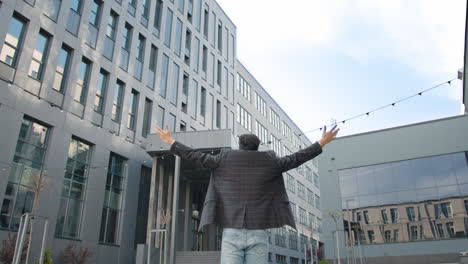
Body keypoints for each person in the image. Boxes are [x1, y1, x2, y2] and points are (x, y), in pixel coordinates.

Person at [156, 125, 339, 264]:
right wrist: (322, 142)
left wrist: (171, 141)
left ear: (240, 145)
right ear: (257, 147)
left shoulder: (224, 159)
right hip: (258, 231)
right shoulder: (270, 162)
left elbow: (195, 156)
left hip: (232, 231)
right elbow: (298, 158)